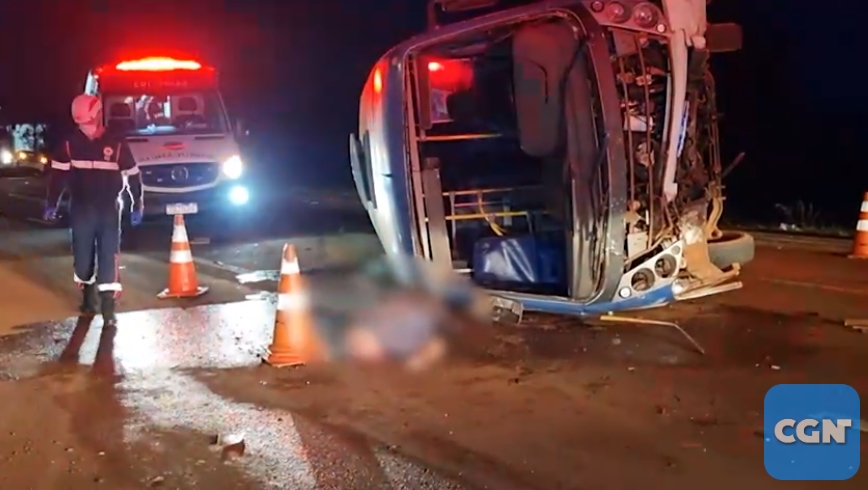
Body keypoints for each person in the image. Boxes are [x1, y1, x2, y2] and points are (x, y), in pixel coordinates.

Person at [43, 94, 144, 325]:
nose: (88, 126)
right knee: (83, 258)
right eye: (84, 123)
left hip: (109, 209)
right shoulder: (69, 145)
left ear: (97, 115)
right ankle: (88, 296)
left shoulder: (116, 144)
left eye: (90, 120)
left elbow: (133, 175)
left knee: (109, 255)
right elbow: (58, 178)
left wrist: (137, 203)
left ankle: (108, 309)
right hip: (81, 209)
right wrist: (51, 203)